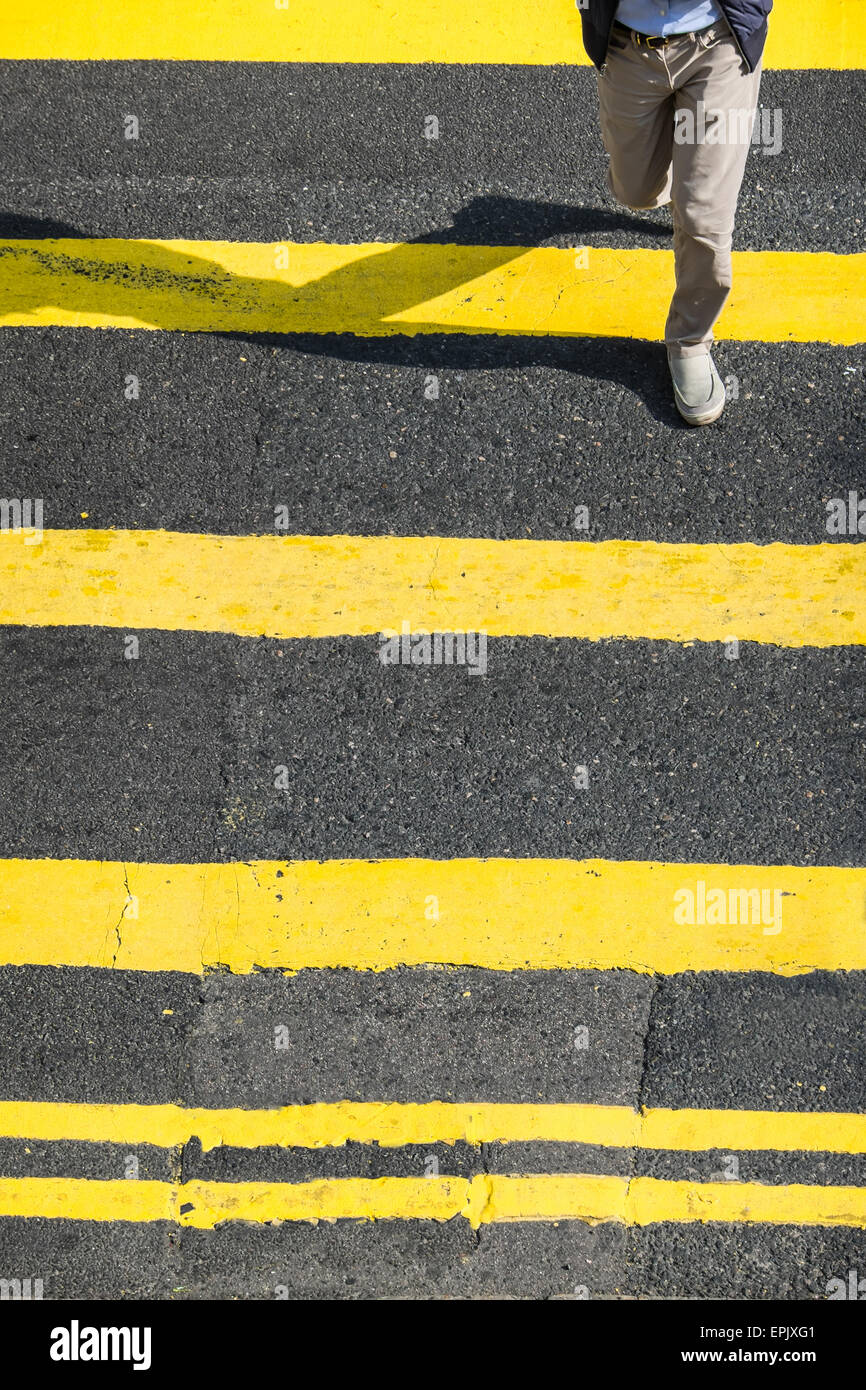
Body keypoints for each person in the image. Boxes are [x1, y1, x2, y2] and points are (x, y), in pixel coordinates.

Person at [580, 0, 773, 425]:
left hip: (718, 40)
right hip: (627, 43)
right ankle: (677, 174)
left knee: (703, 214)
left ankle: (690, 338)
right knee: (637, 190)